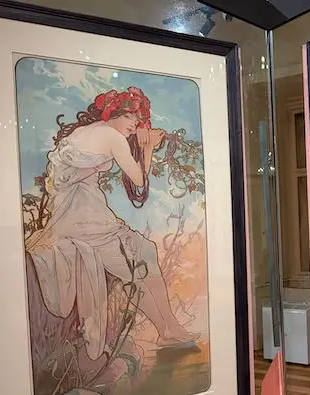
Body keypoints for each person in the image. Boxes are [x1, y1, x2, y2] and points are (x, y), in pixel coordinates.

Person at [25, 86, 199, 361]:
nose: (133, 124)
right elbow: (139, 183)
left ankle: (168, 328)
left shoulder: (86, 132)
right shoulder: (113, 137)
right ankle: (169, 328)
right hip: (84, 220)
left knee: (144, 255)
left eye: (138, 119)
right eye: (130, 116)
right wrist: (148, 147)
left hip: (75, 213)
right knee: (141, 258)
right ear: (112, 113)